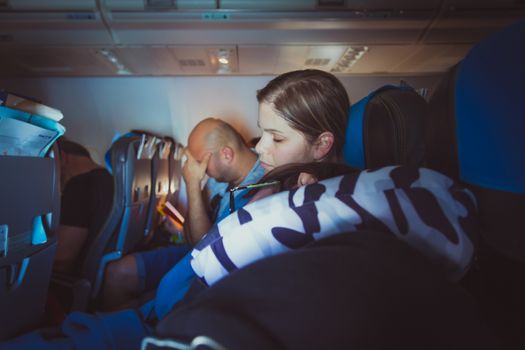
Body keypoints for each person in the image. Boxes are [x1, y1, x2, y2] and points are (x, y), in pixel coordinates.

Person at [0, 69, 351, 349]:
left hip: (179, 318)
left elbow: (205, 250)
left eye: (276, 138)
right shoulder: (276, 185)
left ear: (322, 145)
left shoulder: (309, 203)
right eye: (262, 133)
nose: (259, 147)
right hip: (169, 309)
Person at [102, 118, 265, 309]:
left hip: (211, 264)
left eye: (198, 162)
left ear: (227, 154)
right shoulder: (221, 176)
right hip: (193, 252)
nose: (196, 169)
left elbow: (201, 245)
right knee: (118, 272)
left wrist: (193, 185)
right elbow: (191, 238)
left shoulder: (259, 188)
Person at [54, 137, 113, 273]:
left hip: (76, 276)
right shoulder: (111, 179)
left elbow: (63, 257)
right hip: (101, 268)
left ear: (62, 157)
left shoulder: (80, 186)